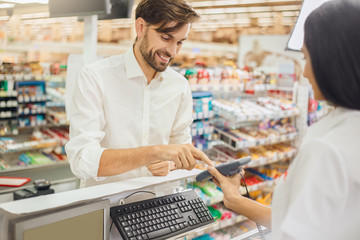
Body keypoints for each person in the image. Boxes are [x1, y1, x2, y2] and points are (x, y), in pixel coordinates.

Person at [207, 0, 360, 239]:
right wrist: (236, 200)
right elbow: (304, 223)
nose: (306, 73)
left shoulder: (327, 150)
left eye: (307, 58)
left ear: (332, 63)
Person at [65, 0, 212, 188]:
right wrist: (154, 152)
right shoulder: (95, 77)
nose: (172, 51)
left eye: (180, 42)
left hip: (159, 204)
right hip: (106, 207)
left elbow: (180, 148)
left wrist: (171, 163)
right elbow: (82, 160)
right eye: (166, 38)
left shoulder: (179, 86)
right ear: (141, 27)